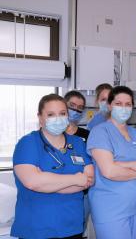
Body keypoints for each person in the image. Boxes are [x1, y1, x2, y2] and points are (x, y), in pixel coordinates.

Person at [11, 94, 94, 239]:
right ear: (40, 118)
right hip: (36, 228)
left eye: (62, 113)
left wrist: (46, 182)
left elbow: (88, 180)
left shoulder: (78, 143)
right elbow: (32, 182)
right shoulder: (28, 143)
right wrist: (76, 179)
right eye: (51, 114)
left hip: (72, 226)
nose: (58, 118)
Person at [87, 86, 136, 239]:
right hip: (110, 210)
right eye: (118, 103)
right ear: (110, 106)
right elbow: (109, 172)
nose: (124, 108)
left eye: (128, 104)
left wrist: (123, 164)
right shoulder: (100, 132)